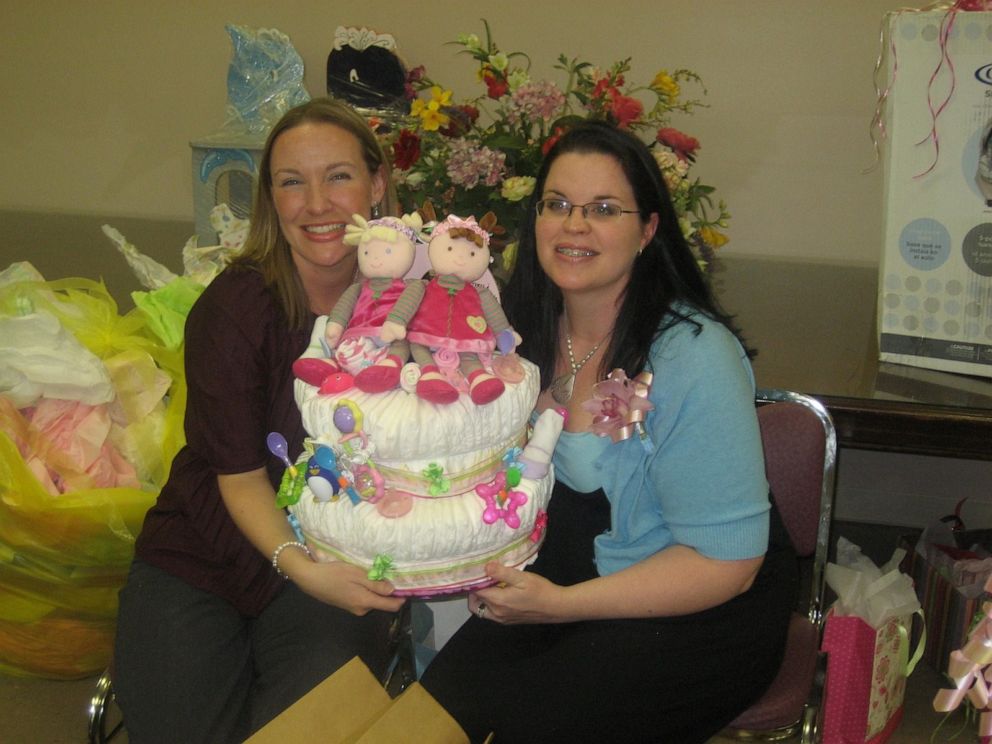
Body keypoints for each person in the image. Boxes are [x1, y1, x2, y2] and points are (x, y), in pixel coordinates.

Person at [419, 120, 797, 743]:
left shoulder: (695, 355)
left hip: (699, 596)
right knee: (435, 716)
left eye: (603, 209)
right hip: (572, 563)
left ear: (648, 230)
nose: (574, 225)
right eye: (558, 204)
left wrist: (559, 606)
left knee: (536, 726)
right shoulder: (515, 331)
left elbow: (729, 564)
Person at [113, 97, 406, 744]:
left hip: (336, 549)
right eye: (291, 182)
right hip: (207, 548)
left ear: (377, 183)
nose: (317, 203)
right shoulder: (235, 312)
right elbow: (239, 477)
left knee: (304, 729)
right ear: (271, 198)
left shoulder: (409, 304)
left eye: (338, 176)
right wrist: (299, 566)